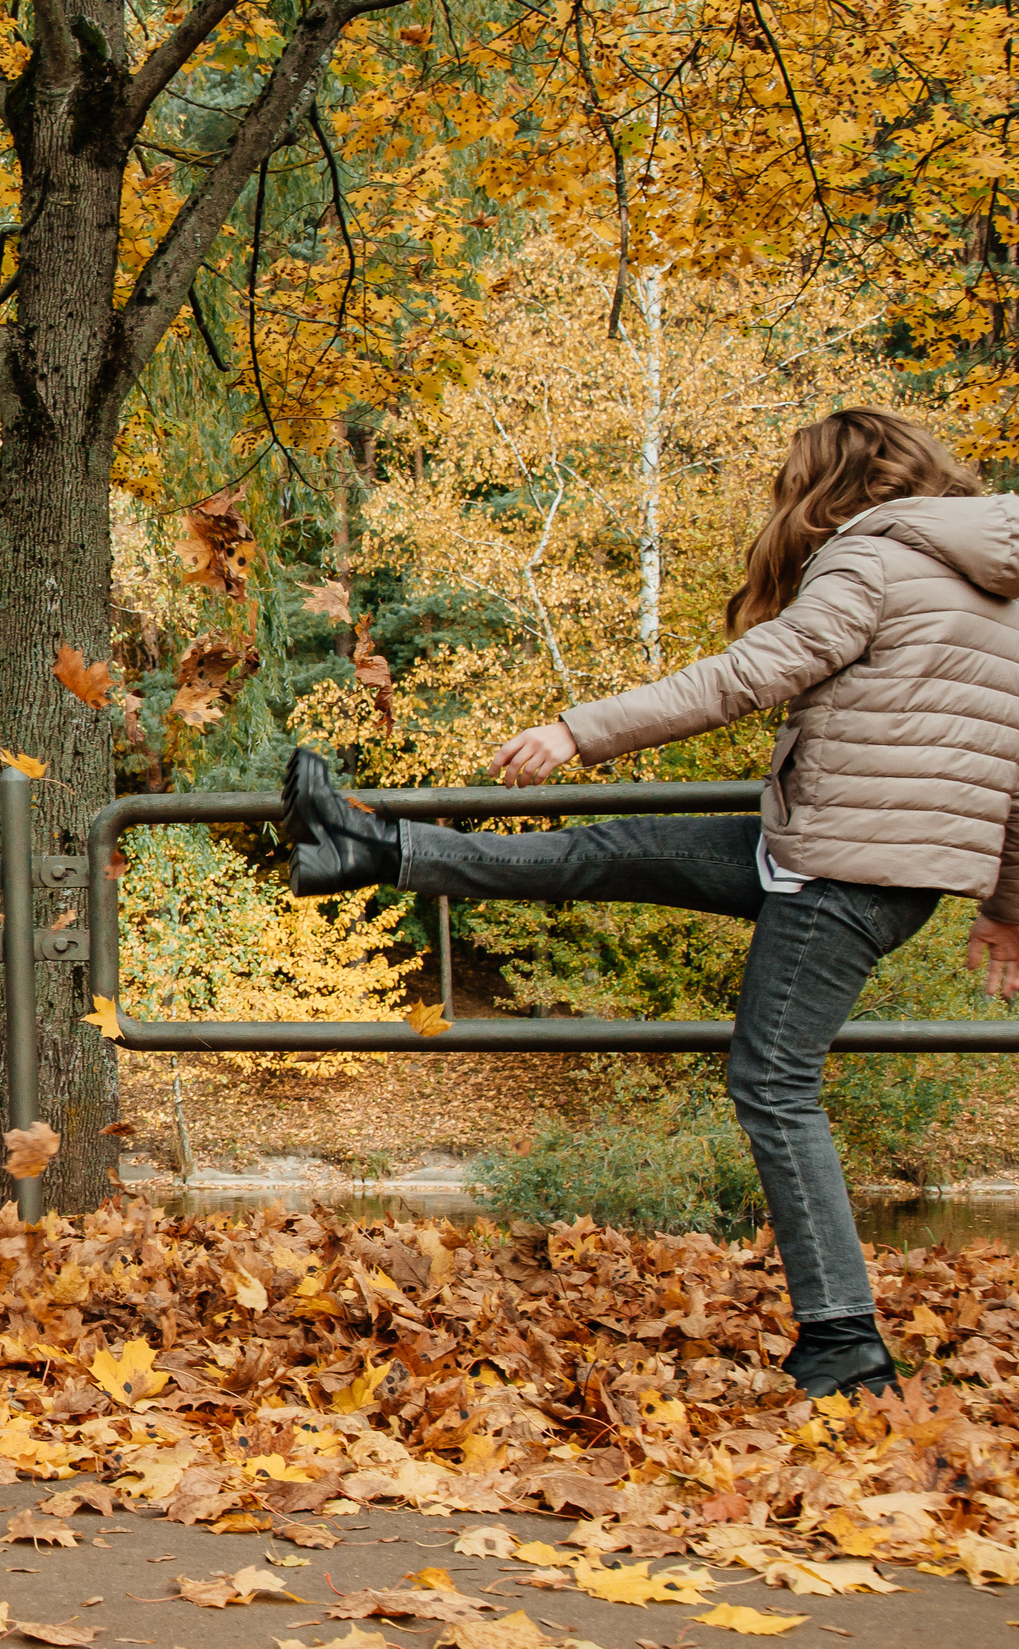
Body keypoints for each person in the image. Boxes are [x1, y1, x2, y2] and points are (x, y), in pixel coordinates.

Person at [283, 407, 1019, 1404]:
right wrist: (1004, 904)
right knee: (607, 851)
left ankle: (845, 1347)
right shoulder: (996, 594)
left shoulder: (874, 556)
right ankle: (367, 847)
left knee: (772, 1085)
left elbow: (752, 674)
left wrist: (578, 732)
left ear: (830, 483)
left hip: (835, 874)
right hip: (847, 863)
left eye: (790, 483)